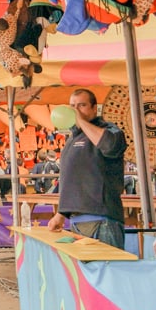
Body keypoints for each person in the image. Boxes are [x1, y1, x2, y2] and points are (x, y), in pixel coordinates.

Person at [46, 88, 128, 249]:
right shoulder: (73, 137)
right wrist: (61, 214)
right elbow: (71, 178)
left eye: (82, 105)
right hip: (76, 219)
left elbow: (110, 145)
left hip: (103, 218)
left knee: (107, 269)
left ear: (93, 108)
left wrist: (81, 121)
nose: (76, 111)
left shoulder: (110, 130)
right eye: (72, 106)